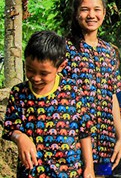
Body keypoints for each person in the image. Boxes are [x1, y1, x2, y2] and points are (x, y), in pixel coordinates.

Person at [2, 30, 95, 178]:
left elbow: (85, 132)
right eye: (30, 70)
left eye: (44, 73)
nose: (36, 78)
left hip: (69, 172)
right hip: (31, 173)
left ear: (61, 66)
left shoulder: (73, 91)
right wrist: (20, 137)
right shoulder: (19, 93)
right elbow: (10, 127)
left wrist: (89, 167)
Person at [63, 0, 121, 177]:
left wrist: (120, 137)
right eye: (85, 9)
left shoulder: (109, 52)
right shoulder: (64, 49)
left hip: (105, 141)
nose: (91, 15)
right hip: (72, 140)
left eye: (97, 9)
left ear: (104, 13)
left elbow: (112, 95)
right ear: (76, 14)